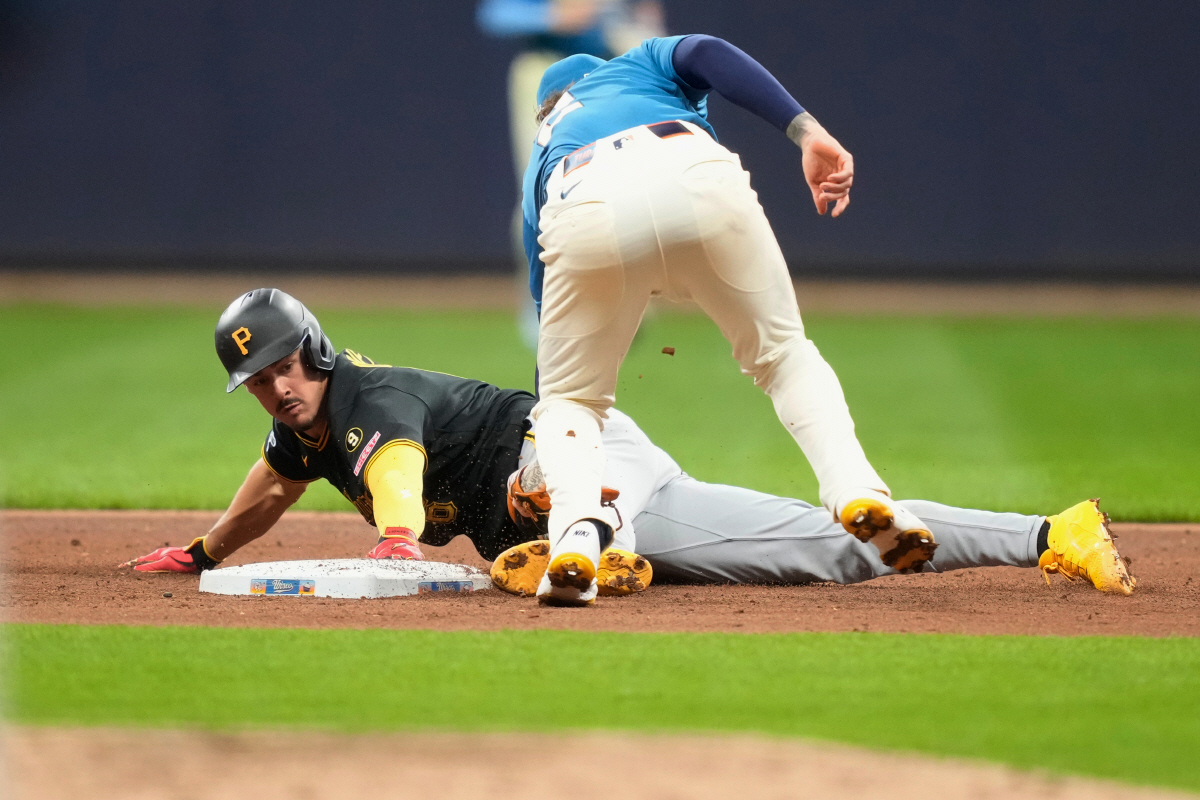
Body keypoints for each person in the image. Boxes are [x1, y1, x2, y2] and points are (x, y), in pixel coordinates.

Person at [126, 289, 1136, 601]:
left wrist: (397, 541)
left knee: (553, 497)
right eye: (256, 380)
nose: (275, 388)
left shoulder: (366, 395)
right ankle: (1056, 529)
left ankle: (593, 540)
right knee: (832, 549)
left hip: (572, 449)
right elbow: (271, 484)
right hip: (614, 481)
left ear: (315, 349)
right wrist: (207, 550)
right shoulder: (299, 426)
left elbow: (394, 464)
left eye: (284, 367)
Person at [520, 35, 935, 605]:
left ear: (549, 109)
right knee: (783, 356)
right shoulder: (637, 66)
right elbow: (707, 53)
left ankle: (576, 537)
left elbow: (551, 345)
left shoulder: (540, 157)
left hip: (581, 195)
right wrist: (806, 131)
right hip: (693, 171)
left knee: (572, 400)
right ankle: (858, 489)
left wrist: (555, 448)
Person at [476, 0, 666, 350]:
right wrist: (553, 16)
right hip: (548, 68)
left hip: (614, 69)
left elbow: (644, 20)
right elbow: (496, 14)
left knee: (624, 193)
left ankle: (630, 307)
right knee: (543, 194)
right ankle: (544, 311)